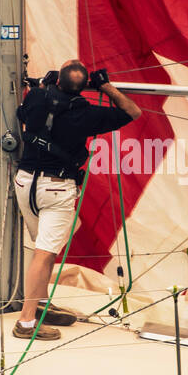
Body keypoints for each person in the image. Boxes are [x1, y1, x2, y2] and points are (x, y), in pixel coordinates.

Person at [13, 61, 141, 340]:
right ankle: (25, 322)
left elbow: (26, 111)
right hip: (56, 189)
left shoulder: (35, 95)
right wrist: (106, 87)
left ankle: (41, 304)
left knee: (42, 248)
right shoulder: (87, 113)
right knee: (45, 252)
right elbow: (133, 111)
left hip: (24, 183)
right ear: (84, 87)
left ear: (57, 80)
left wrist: (44, 86)